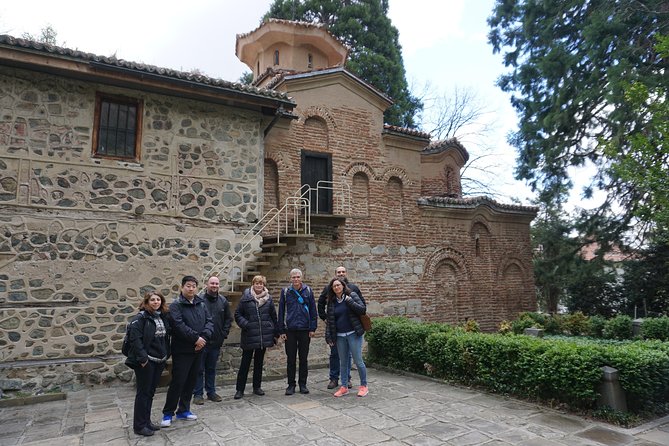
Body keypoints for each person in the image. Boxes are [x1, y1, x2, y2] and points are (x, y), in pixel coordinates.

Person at [161, 276, 213, 427]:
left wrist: (203, 338)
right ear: (182, 287)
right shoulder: (176, 305)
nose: (191, 288)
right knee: (178, 381)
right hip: (183, 350)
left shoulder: (201, 303)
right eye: (188, 286)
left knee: (191, 380)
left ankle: (184, 410)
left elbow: (209, 322)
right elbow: (178, 325)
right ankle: (168, 413)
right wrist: (196, 338)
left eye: (194, 286)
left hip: (199, 349)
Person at [126, 291, 171, 437]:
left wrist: (166, 354)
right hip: (146, 362)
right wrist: (143, 359)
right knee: (143, 393)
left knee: (150, 393)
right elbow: (135, 340)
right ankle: (139, 426)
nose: (156, 302)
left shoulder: (161, 317)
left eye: (158, 299)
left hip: (159, 360)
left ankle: (147, 422)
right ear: (146, 302)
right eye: (153, 300)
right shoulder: (140, 318)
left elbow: (165, 337)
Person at [317, 265, 365, 389]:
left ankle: (347, 379)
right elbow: (321, 302)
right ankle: (334, 378)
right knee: (334, 355)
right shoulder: (329, 288)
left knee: (349, 357)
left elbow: (362, 306)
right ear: (335, 274)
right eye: (339, 272)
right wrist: (325, 318)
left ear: (346, 273)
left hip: (351, 330)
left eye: (343, 271)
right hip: (337, 331)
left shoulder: (353, 289)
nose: (341, 273)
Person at [234, 275, 279, 399]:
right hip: (249, 335)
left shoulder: (268, 299)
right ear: (253, 284)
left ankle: (257, 387)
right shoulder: (246, 298)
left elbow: (273, 316)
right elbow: (238, 314)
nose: (259, 285)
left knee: (259, 363)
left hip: (263, 336)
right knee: (245, 363)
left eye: (261, 283)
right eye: (256, 283)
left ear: (264, 285)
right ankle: (240, 389)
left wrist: (275, 332)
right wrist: (246, 325)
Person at [324, 277, 369, 398]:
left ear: (343, 286)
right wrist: (329, 337)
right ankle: (344, 386)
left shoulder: (352, 295)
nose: (336, 287)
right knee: (343, 362)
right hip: (340, 336)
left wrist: (350, 302)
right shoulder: (332, 302)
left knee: (358, 361)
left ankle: (364, 386)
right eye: (334, 286)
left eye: (338, 285)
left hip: (353, 333)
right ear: (332, 289)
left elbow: (362, 310)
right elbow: (330, 321)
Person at [192, 276, 232, 405]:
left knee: (211, 368)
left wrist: (223, 334)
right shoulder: (199, 300)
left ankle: (211, 392)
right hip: (201, 341)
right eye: (212, 283)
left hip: (216, 341)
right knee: (199, 369)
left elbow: (228, 319)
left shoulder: (223, 301)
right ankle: (198, 394)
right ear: (206, 284)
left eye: (216, 283)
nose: (214, 285)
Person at [278, 268, 317, 395]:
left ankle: (303, 384)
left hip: (305, 330)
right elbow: (281, 312)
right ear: (290, 278)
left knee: (303, 359)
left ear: (301, 278)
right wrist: (282, 330)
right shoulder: (285, 292)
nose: (295, 279)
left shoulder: (308, 291)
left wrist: (312, 328)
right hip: (290, 330)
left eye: (298, 277)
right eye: (293, 277)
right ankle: (291, 385)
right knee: (291, 359)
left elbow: (313, 310)